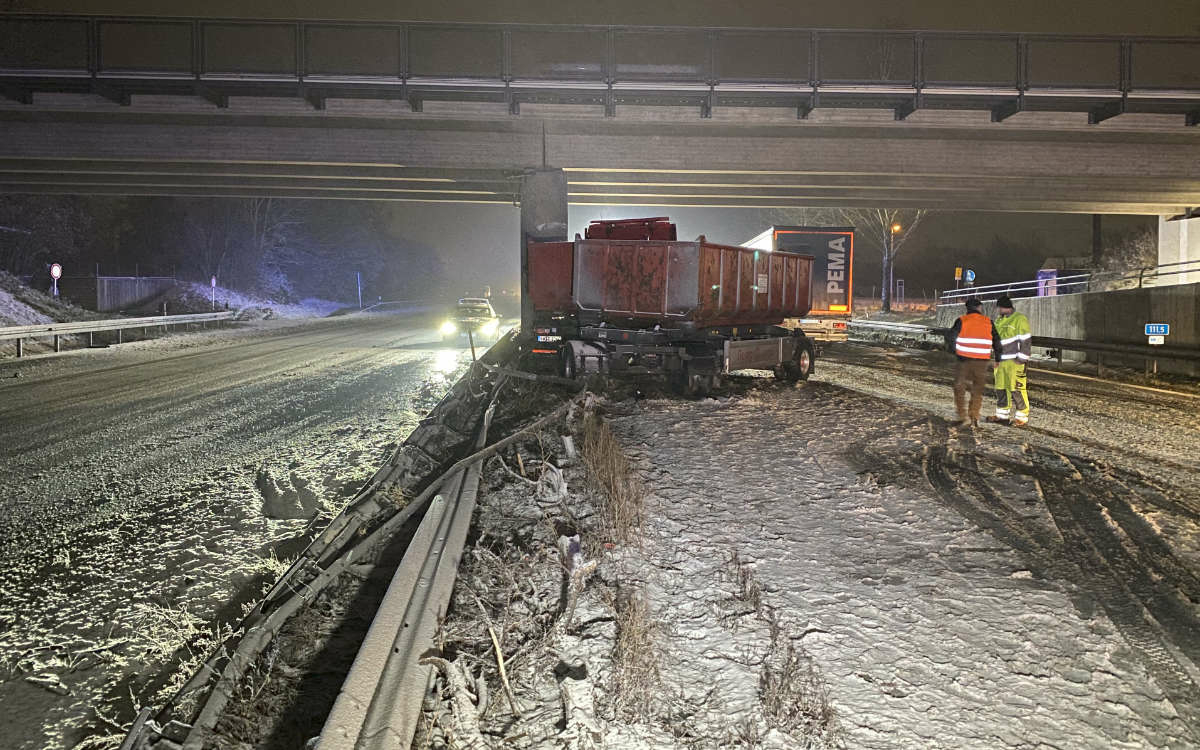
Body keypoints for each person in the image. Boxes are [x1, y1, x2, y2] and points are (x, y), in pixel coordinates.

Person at [946, 297, 1001, 429]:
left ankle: (962, 416)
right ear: (979, 308)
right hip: (982, 362)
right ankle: (974, 417)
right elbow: (997, 342)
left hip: (963, 360)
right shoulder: (988, 322)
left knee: (959, 387)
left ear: (968, 308)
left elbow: (950, 337)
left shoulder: (961, 320)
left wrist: (955, 351)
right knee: (977, 389)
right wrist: (998, 358)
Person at [988, 295, 1032, 426]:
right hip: (1001, 362)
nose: (998, 311)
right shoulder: (998, 321)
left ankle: (1022, 418)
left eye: (999, 308)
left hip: (1014, 362)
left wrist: (1022, 358)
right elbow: (996, 342)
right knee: (1001, 389)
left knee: (1016, 389)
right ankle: (1002, 416)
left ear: (1003, 307)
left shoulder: (1019, 319)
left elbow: (1026, 341)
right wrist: (996, 359)